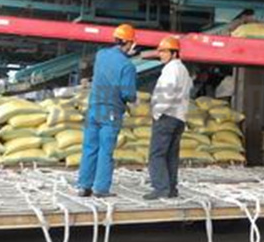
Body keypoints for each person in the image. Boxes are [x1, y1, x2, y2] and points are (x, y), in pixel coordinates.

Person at [77, 24, 138, 198]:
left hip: (94, 107)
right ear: (129, 43)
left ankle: (84, 186)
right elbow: (128, 93)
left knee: (90, 147)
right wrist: (134, 99)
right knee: (105, 150)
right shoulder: (128, 66)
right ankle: (101, 189)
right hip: (111, 111)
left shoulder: (101, 55)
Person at [144, 36, 193, 200]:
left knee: (157, 154)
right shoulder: (183, 70)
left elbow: (167, 93)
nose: (161, 55)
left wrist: (157, 112)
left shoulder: (171, 70)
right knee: (171, 155)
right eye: (160, 52)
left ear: (174, 53)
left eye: (164, 52)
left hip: (167, 116)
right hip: (179, 117)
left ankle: (161, 188)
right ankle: (171, 188)